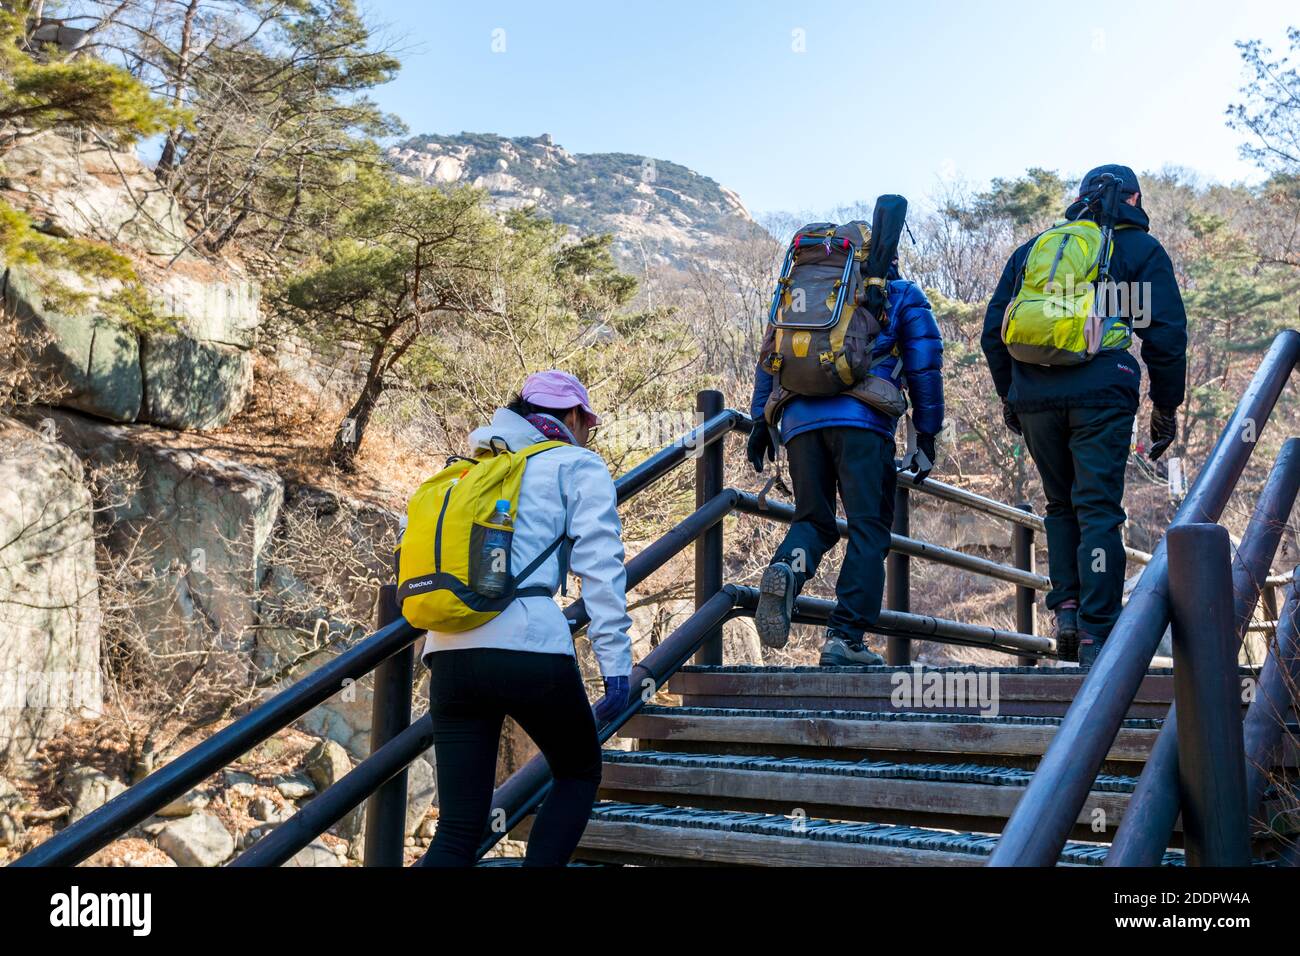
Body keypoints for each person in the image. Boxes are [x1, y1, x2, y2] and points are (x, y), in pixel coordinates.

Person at [418, 370, 632, 866]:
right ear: (575, 417)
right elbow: (601, 569)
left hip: (449, 651)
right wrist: (616, 668)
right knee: (578, 772)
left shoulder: (472, 468)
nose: (588, 435)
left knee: (456, 827)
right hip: (528, 646)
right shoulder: (576, 463)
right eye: (588, 424)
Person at [981, 164, 1187, 668]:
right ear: (1134, 199)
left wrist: (1013, 396)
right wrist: (1164, 408)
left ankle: (1067, 613)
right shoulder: (1137, 250)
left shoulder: (1038, 250)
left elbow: (994, 330)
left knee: (1059, 506)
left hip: (1034, 398)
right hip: (1101, 389)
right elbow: (1165, 336)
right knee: (1097, 508)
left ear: (1079, 200)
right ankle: (1097, 632)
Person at [748, 261, 945, 666]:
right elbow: (925, 364)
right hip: (865, 424)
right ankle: (845, 637)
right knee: (868, 529)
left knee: (814, 523)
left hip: (799, 422)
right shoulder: (902, 293)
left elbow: (770, 354)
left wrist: (760, 420)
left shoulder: (803, 295)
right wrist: (926, 434)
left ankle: (788, 567)